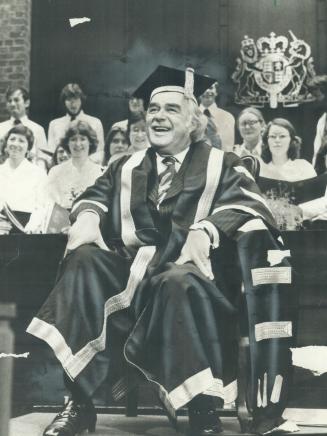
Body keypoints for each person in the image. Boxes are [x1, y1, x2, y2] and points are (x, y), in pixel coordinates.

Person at [27, 67, 296, 436]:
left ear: (192, 121)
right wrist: (88, 214)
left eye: (170, 109)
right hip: (131, 277)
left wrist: (209, 229)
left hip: (193, 280)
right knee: (83, 260)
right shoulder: (126, 164)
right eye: (153, 109)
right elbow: (95, 194)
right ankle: (79, 403)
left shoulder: (223, 163)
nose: (158, 116)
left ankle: (202, 408)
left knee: (177, 280)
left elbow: (252, 205)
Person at [46, 120, 103, 209]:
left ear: (90, 142)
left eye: (82, 139)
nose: (78, 144)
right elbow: (49, 203)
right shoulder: (55, 172)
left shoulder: (101, 173)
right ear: (67, 143)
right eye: (73, 139)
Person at [0, 125, 47, 228]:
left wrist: (30, 227)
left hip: (26, 227)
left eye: (21, 141)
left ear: (28, 148)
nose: (16, 144)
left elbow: (41, 207)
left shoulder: (38, 173)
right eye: (12, 139)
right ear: (6, 144)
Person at [47, 83, 105, 157]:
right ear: (64, 102)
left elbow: (100, 152)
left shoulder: (95, 122)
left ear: (81, 100)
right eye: (69, 100)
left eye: (76, 99)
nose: (73, 104)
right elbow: (51, 152)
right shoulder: (54, 124)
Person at [0, 87, 47, 160]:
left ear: (26, 103)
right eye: (9, 101)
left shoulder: (37, 129)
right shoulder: (1, 128)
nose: (12, 104)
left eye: (16, 100)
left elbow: (43, 159)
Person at [199, 82, 235, 151]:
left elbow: (228, 148)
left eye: (210, 88)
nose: (207, 91)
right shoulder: (191, 115)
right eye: (203, 88)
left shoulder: (227, 117)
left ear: (216, 92)